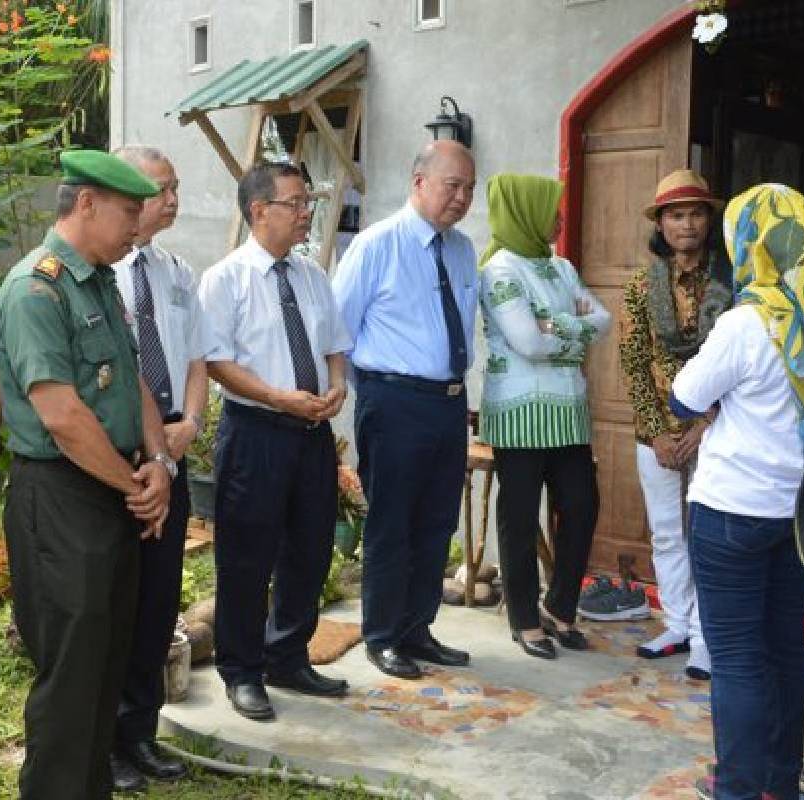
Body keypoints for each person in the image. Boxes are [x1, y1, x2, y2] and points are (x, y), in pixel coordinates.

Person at [0, 150, 173, 799]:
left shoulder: (99, 280)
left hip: (113, 491)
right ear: (88, 204)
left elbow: (135, 386)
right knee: (71, 675)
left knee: (106, 663)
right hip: (63, 499)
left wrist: (156, 465)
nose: (141, 222)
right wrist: (136, 488)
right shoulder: (33, 288)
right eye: (131, 210)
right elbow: (64, 417)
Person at [671, 184, 804, 800]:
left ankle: (739, 787)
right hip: (803, 518)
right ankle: (782, 783)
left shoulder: (746, 322)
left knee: (737, 657)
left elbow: (684, 397)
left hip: (732, 512)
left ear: (749, 241)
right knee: (784, 648)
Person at [198, 161, 351, 721]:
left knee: (309, 550)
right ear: (259, 211)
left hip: (312, 433)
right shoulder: (226, 278)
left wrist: (336, 386)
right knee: (246, 556)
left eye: (308, 201)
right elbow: (216, 362)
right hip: (256, 433)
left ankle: (287, 656)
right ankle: (241, 671)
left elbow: (335, 343)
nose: (306, 211)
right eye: (295, 202)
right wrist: (278, 398)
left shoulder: (311, 274)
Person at [332, 140, 477, 680]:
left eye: (468, 188)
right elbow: (338, 328)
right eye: (451, 186)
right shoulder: (376, 246)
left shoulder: (461, 250)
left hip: (446, 402)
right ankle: (383, 634)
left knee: (437, 521)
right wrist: (346, 394)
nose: (461, 198)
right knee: (393, 522)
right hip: (392, 400)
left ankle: (418, 629)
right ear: (419, 183)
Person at [477, 173, 610, 660]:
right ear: (525, 211)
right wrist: (571, 336)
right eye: (550, 209)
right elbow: (527, 342)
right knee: (519, 515)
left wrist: (557, 325)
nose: (559, 218)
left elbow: (604, 321)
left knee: (582, 505)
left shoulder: (561, 267)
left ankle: (560, 607)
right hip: (520, 409)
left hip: (569, 408)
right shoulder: (500, 271)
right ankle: (525, 619)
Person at [107, 144, 205, 791]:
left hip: (174, 444)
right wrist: (149, 449)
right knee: (116, 598)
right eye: (162, 189)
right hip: (118, 453)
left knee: (160, 595)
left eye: (175, 188)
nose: (173, 199)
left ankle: (141, 731)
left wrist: (190, 425)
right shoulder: (96, 272)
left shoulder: (176, 271)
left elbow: (196, 357)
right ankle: (104, 738)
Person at [615, 169, 729, 680]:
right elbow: (635, 361)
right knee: (666, 534)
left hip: (713, 430)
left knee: (706, 534)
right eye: (676, 214)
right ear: (660, 224)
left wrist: (703, 424)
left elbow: (736, 363)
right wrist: (658, 430)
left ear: (709, 220)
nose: (686, 224)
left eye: (696, 212)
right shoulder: (642, 286)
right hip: (655, 433)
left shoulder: (730, 283)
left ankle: (708, 638)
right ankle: (678, 623)